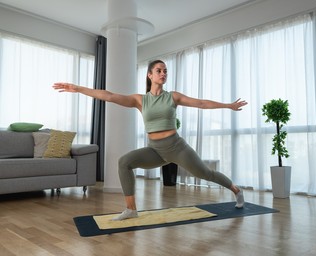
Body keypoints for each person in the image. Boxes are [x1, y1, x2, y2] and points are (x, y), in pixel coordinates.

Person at [52, 59, 248, 220]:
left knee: (206, 174)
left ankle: (236, 190)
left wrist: (228, 106)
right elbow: (109, 96)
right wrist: (77, 88)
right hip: (155, 150)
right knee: (124, 162)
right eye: (159, 70)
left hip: (177, 147)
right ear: (150, 75)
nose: (163, 74)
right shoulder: (140, 100)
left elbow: (201, 103)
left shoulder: (172, 97)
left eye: (165, 71)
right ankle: (131, 209)